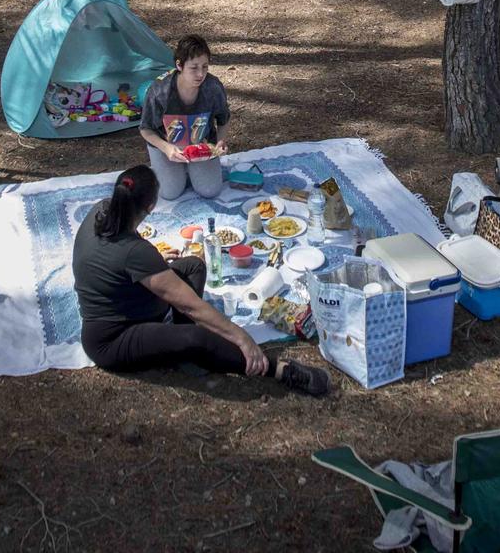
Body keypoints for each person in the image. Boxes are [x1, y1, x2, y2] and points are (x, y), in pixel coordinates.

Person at [73, 165, 330, 393]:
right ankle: (279, 369)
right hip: (113, 337)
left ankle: (185, 342)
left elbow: (120, 256)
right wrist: (241, 337)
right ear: (151, 206)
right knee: (196, 339)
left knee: (194, 265)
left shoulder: (103, 210)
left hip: (129, 300)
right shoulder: (136, 253)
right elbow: (189, 305)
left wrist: (153, 261)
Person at [140, 35, 232, 201]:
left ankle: (190, 170)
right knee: (170, 192)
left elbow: (224, 119)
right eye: (194, 68)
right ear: (179, 65)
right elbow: (146, 129)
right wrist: (166, 148)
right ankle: (168, 168)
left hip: (201, 145)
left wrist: (219, 141)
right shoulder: (160, 91)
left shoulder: (213, 87)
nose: (200, 74)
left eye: (205, 67)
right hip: (167, 146)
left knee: (210, 191)